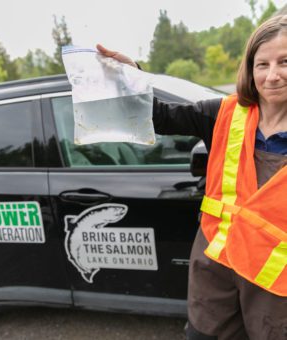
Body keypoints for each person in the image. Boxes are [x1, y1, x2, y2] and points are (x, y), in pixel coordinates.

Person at [97, 14, 287, 340]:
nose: (272, 75)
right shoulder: (224, 114)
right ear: (249, 68)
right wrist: (131, 75)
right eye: (262, 64)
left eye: (284, 62)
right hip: (215, 273)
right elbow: (157, 116)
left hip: (274, 286)